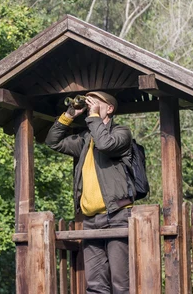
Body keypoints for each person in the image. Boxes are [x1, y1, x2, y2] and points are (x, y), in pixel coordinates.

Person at [45, 91, 134, 294]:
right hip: (91, 220)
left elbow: (105, 144)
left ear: (110, 109)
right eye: (89, 103)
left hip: (117, 216)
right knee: (95, 286)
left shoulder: (122, 133)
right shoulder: (85, 140)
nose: (91, 105)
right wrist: (69, 114)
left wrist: (93, 116)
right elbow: (53, 142)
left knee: (121, 285)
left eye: (97, 102)